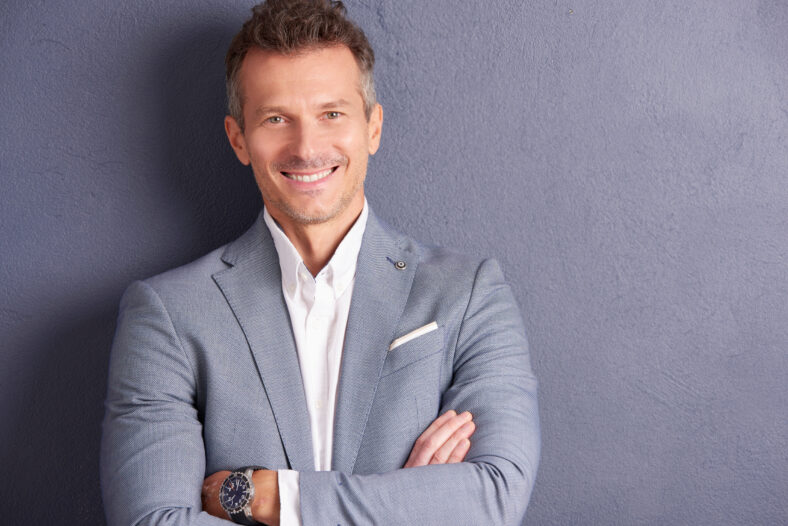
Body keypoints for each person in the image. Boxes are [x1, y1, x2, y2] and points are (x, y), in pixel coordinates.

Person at [100, 1, 540, 524]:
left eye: (332, 114)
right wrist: (407, 503)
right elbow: (152, 522)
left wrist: (275, 498)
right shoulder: (168, 315)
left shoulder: (469, 294)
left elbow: (494, 497)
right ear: (239, 139)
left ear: (373, 127)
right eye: (276, 118)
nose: (307, 147)